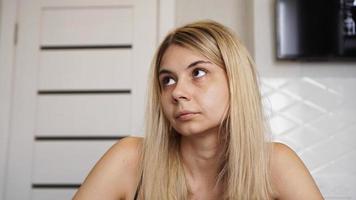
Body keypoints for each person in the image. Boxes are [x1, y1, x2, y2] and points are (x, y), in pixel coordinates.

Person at [73, 20, 324, 200]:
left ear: (236, 81)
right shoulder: (129, 160)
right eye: (168, 80)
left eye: (198, 73)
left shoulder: (276, 164)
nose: (177, 92)